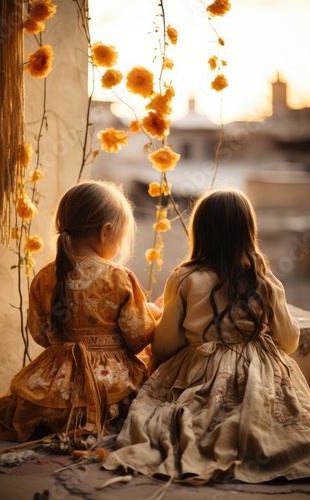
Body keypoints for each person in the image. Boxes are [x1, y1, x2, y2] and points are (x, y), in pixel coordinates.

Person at [103, 188, 310, 484]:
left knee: (174, 416)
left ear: (200, 232)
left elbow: (164, 345)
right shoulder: (265, 279)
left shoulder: (184, 278)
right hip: (259, 374)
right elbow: (289, 342)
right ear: (249, 232)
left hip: (200, 369)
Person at [0, 180, 159, 443]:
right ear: (105, 231)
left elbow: (40, 335)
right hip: (107, 388)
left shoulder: (44, 276)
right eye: (119, 239)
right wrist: (154, 313)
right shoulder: (119, 278)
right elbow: (138, 337)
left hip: (52, 385)